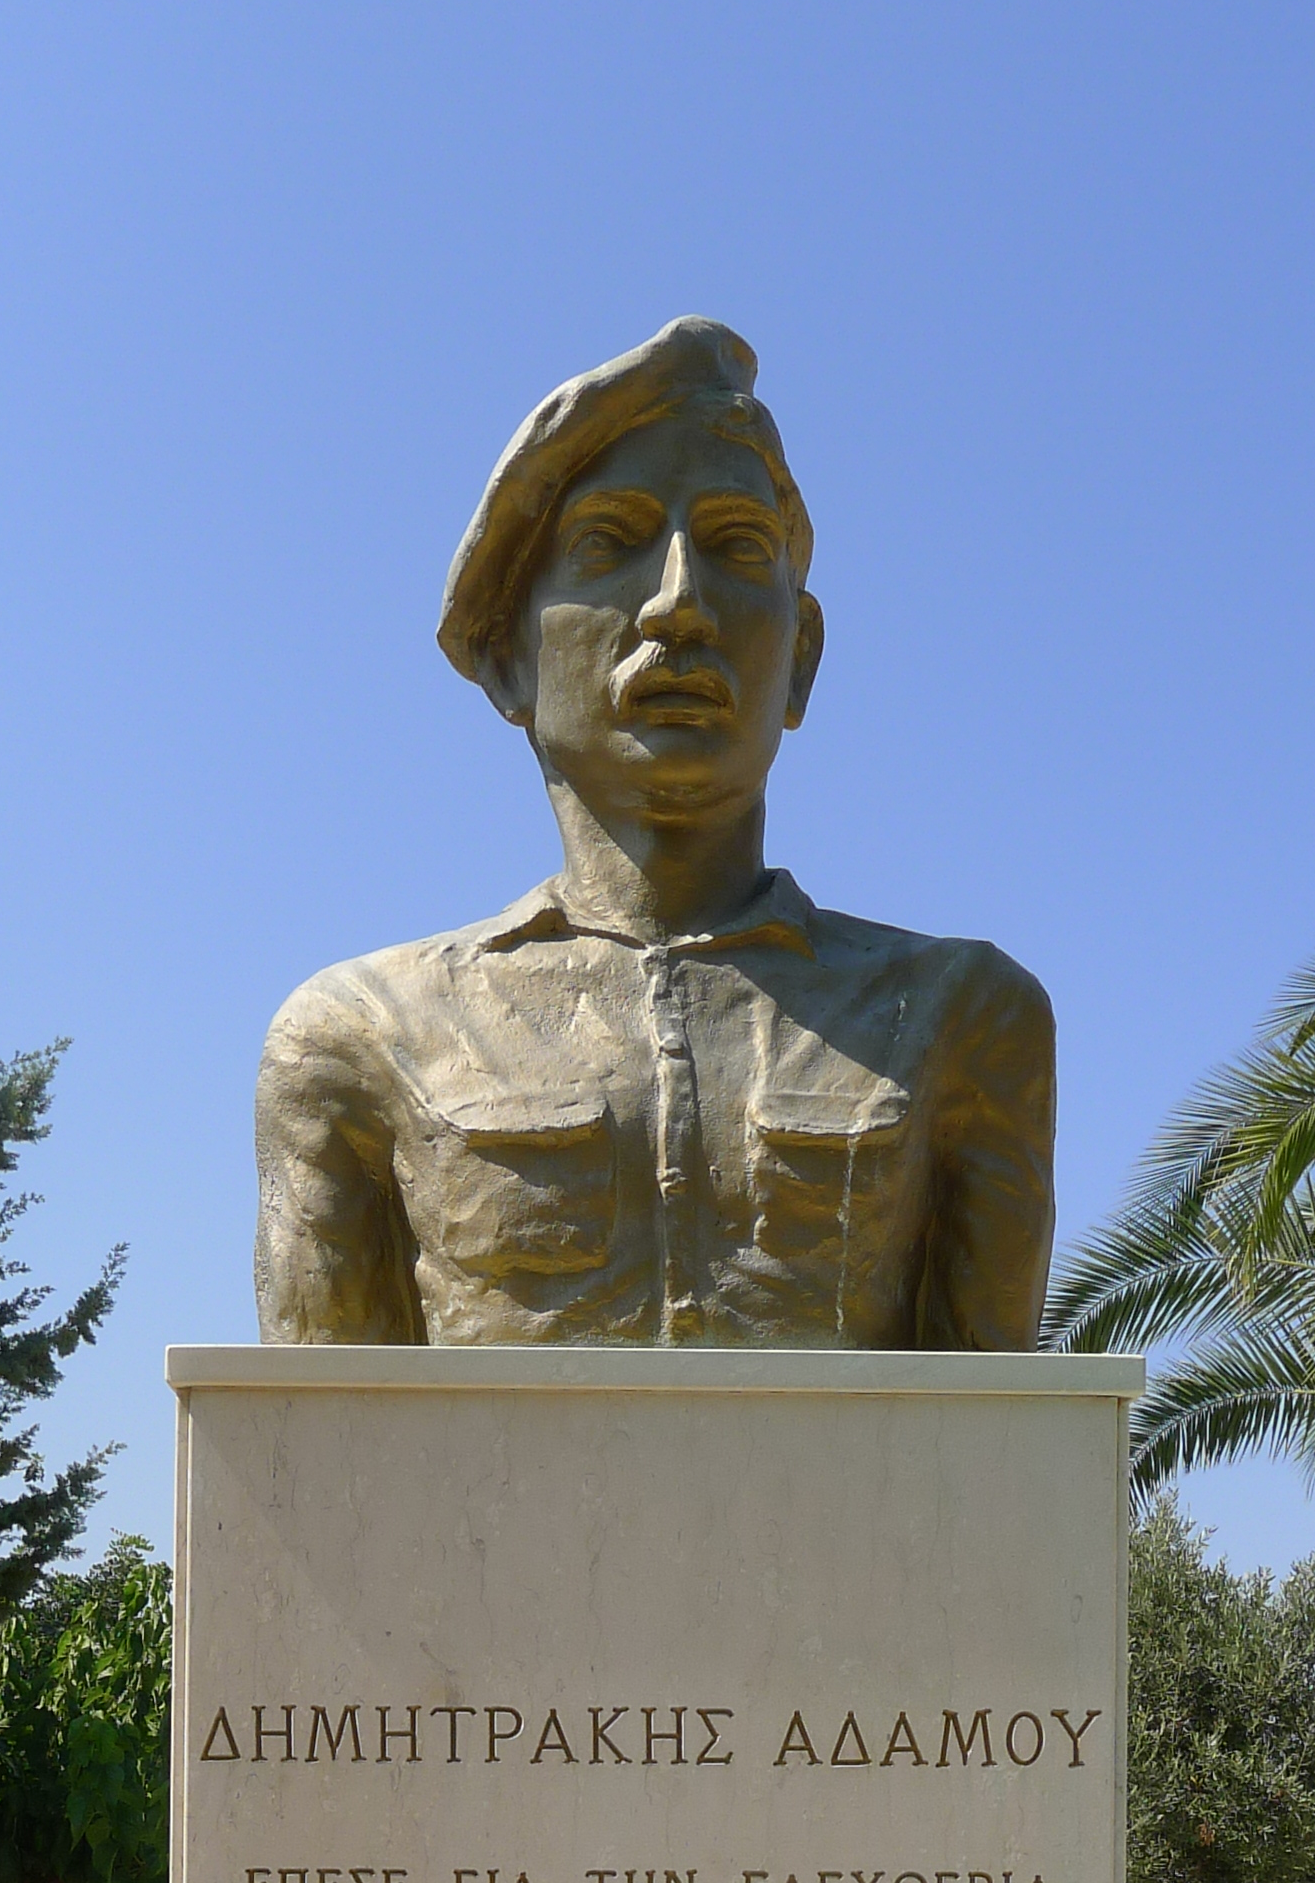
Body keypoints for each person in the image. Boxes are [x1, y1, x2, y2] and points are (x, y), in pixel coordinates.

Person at [254, 317, 1055, 1351]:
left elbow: (994, 1432)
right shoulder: (358, 1035)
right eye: (608, 543)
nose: (679, 606)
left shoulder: (964, 1022)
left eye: (737, 546)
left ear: (802, 658)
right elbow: (315, 1434)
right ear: (507, 657)